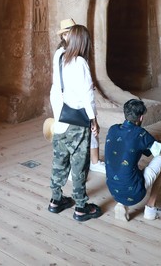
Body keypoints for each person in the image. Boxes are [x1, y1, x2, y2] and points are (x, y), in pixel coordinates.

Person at [47, 23, 103, 222]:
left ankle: (55, 200)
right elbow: (87, 96)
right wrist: (93, 120)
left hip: (60, 118)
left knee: (59, 160)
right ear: (84, 42)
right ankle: (80, 207)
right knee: (79, 164)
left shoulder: (59, 57)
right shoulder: (80, 63)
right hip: (77, 121)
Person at [105, 99, 161, 221]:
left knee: (124, 168)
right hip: (134, 193)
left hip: (113, 190)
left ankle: (121, 204)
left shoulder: (112, 129)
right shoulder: (141, 134)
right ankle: (150, 208)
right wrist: (159, 143)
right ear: (141, 118)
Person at [57, 18, 105, 174]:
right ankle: (77, 174)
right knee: (81, 141)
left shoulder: (68, 56)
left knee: (76, 140)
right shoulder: (70, 58)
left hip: (71, 102)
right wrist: (93, 118)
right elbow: (86, 94)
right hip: (78, 105)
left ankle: (88, 165)